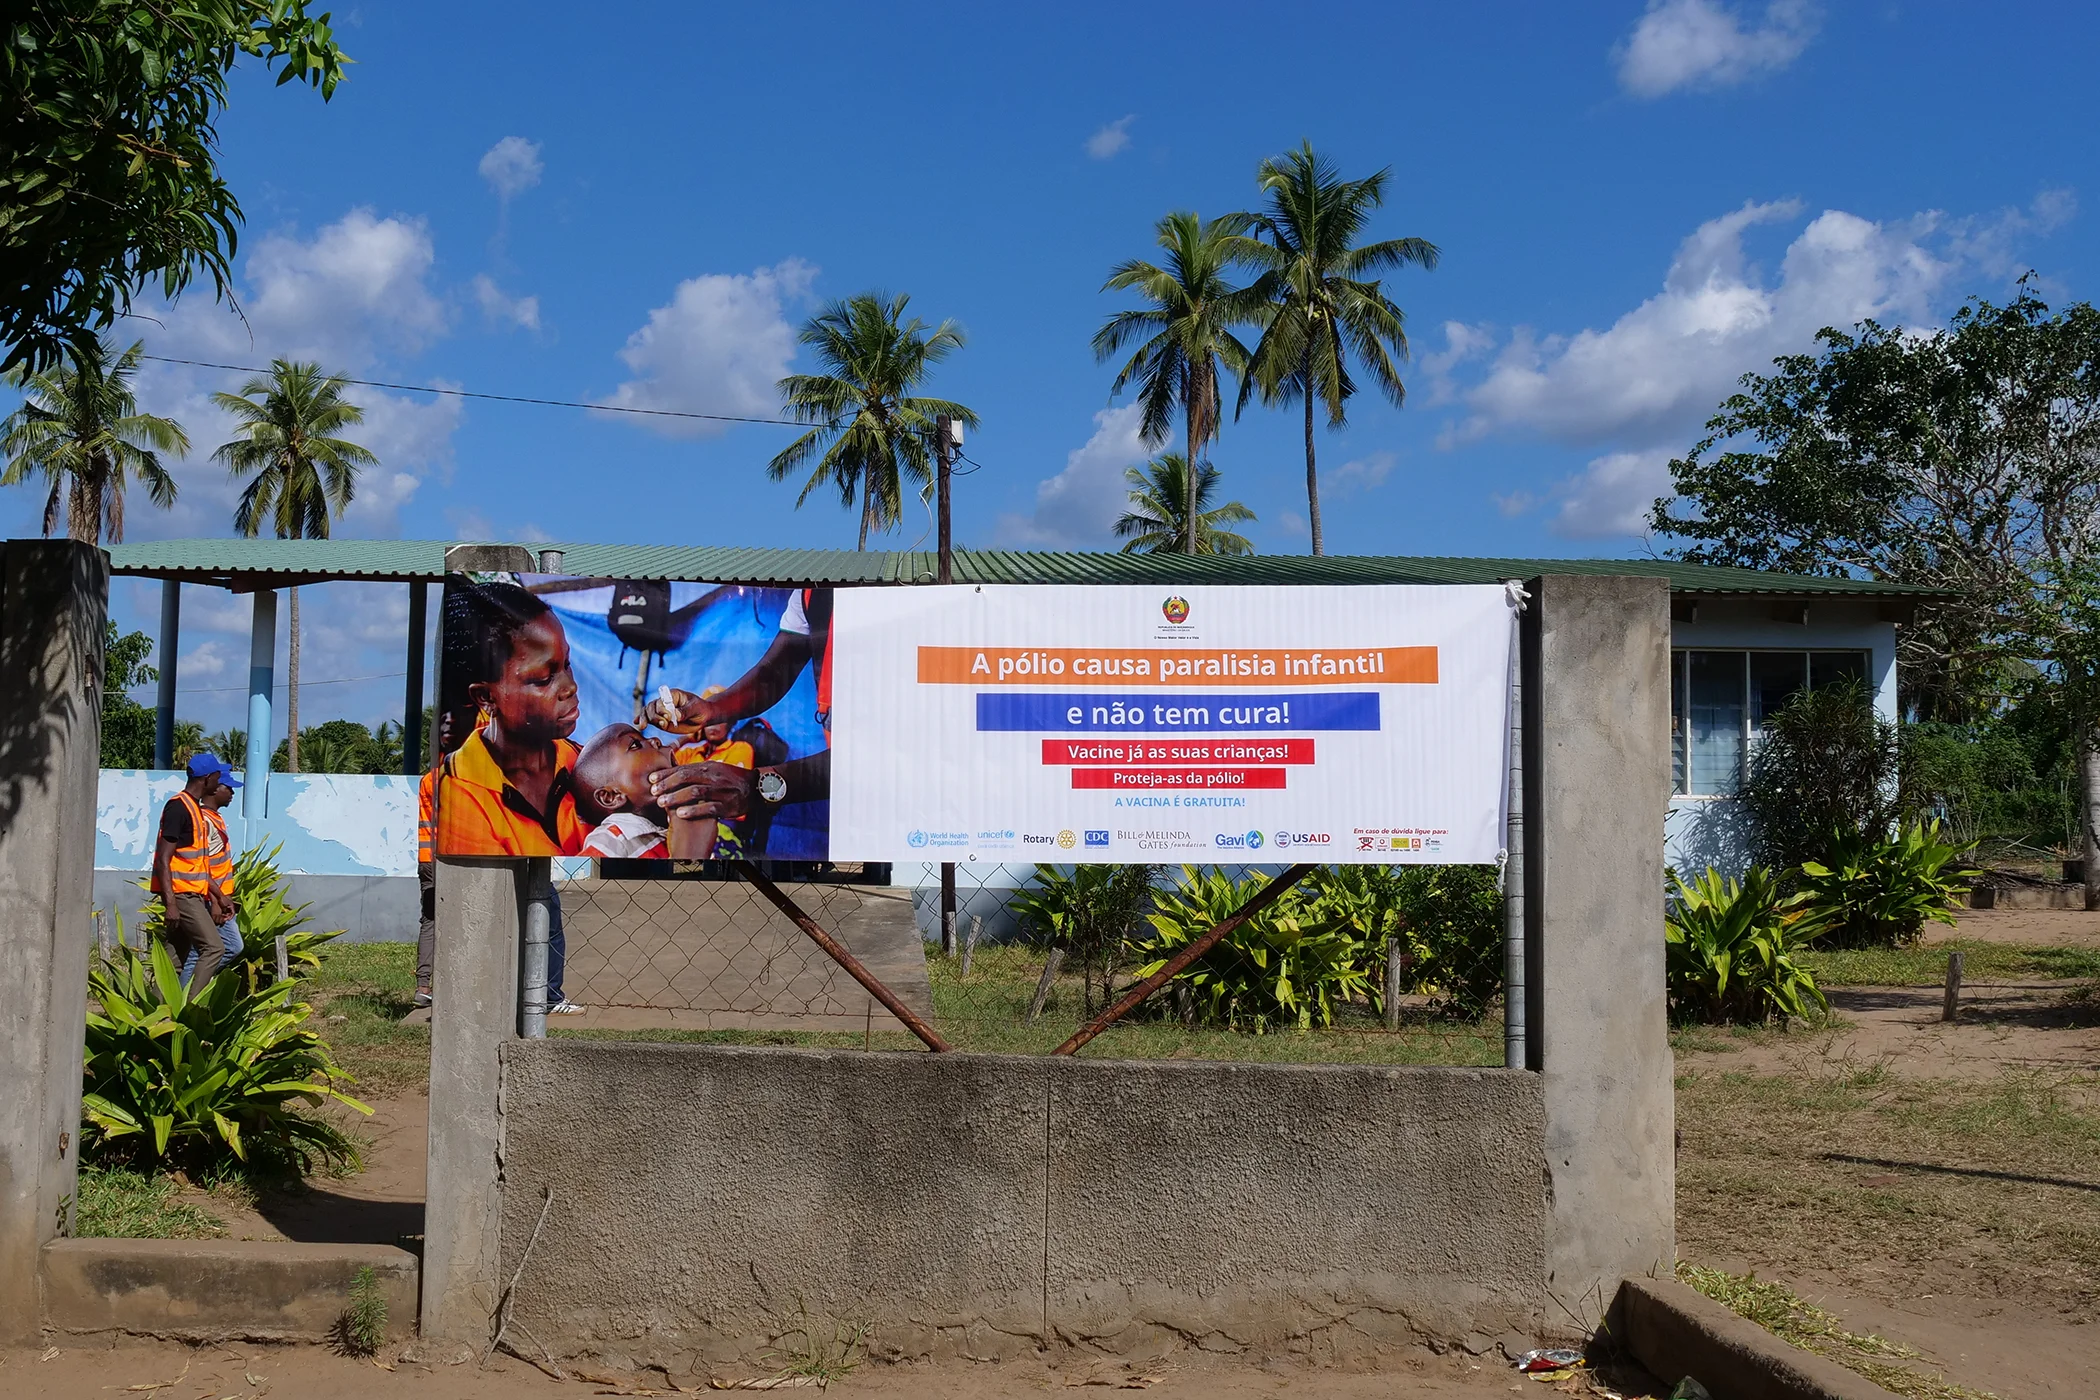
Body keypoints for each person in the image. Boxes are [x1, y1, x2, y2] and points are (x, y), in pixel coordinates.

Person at [648, 587, 833, 848]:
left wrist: (757, 786)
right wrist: (711, 709)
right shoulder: (807, 595)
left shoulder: (741, 750)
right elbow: (773, 673)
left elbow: (867, 758)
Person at [433, 581, 588, 856]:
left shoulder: (587, 764)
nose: (570, 687)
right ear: (486, 697)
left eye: (567, 664)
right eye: (543, 678)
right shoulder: (458, 791)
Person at [574, 723, 731, 860]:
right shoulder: (611, 840)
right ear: (611, 796)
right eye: (635, 744)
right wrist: (686, 859)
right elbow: (581, 890)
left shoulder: (682, 825)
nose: (655, 740)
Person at [151, 754, 229, 990]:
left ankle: (157, 1013)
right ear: (207, 779)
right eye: (217, 776)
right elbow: (164, 859)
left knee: (173, 958)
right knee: (214, 947)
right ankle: (190, 1009)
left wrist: (217, 895)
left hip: (193, 893)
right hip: (182, 895)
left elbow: (198, 864)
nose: (220, 780)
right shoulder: (179, 808)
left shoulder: (194, 809)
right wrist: (171, 904)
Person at [180, 762, 244, 983]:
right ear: (215, 788)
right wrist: (215, 900)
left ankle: (191, 993)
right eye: (228, 787)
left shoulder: (214, 818)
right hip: (209, 897)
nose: (233, 792)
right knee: (217, 948)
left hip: (218, 896)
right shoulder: (205, 820)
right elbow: (202, 865)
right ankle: (184, 998)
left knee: (209, 950)